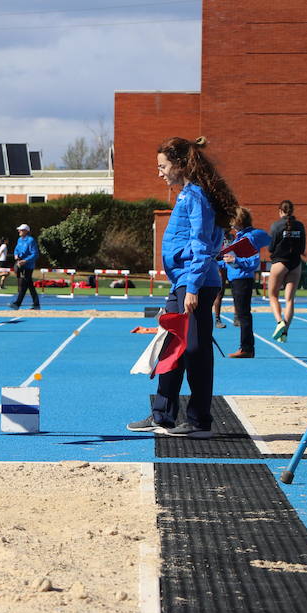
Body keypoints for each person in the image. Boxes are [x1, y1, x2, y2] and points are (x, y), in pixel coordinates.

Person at [128, 136, 238, 439]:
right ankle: (162, 415)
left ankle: (200, 420)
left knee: (195, 350)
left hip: (196, 284)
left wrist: (191, 287)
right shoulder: (187, 195)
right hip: (183, 282)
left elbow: (201, 245)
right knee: (170, 346)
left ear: (179, 164)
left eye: (162, 166)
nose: (159, 172)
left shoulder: (196, 196)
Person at [222, 206, 273, 358]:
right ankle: (246, 347)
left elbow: (253, 262)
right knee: (242, 314)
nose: (231, 224)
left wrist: (235, 260)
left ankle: (247, 348)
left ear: (238, 222)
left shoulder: (248, 238)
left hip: (242, 279)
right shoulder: (240, 237)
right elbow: (229, 261)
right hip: (236, 278)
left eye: (233, 221)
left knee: (243, 315)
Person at [266, 199, 307, 342]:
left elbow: (271, 247)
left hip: (280, 262)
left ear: (280, 211)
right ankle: (285, 333)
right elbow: (302, 248)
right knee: (289, 300)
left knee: (273, 295)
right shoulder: (300, 226)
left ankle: (279, 322)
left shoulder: (276, 226)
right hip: (295, 263)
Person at [9, 224, 41, 310]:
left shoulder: (31, 240)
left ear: (26, 231)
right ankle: (36, 304)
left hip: (28, 266)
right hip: (20, 265)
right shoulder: (19, 240)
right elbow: (16, 249)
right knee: (29, 285)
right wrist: (16, 255)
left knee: (24, 285)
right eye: (19, 230)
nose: (19, 231)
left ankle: (17, 304)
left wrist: (25, 260)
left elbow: (35, 254)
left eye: (21, 230)